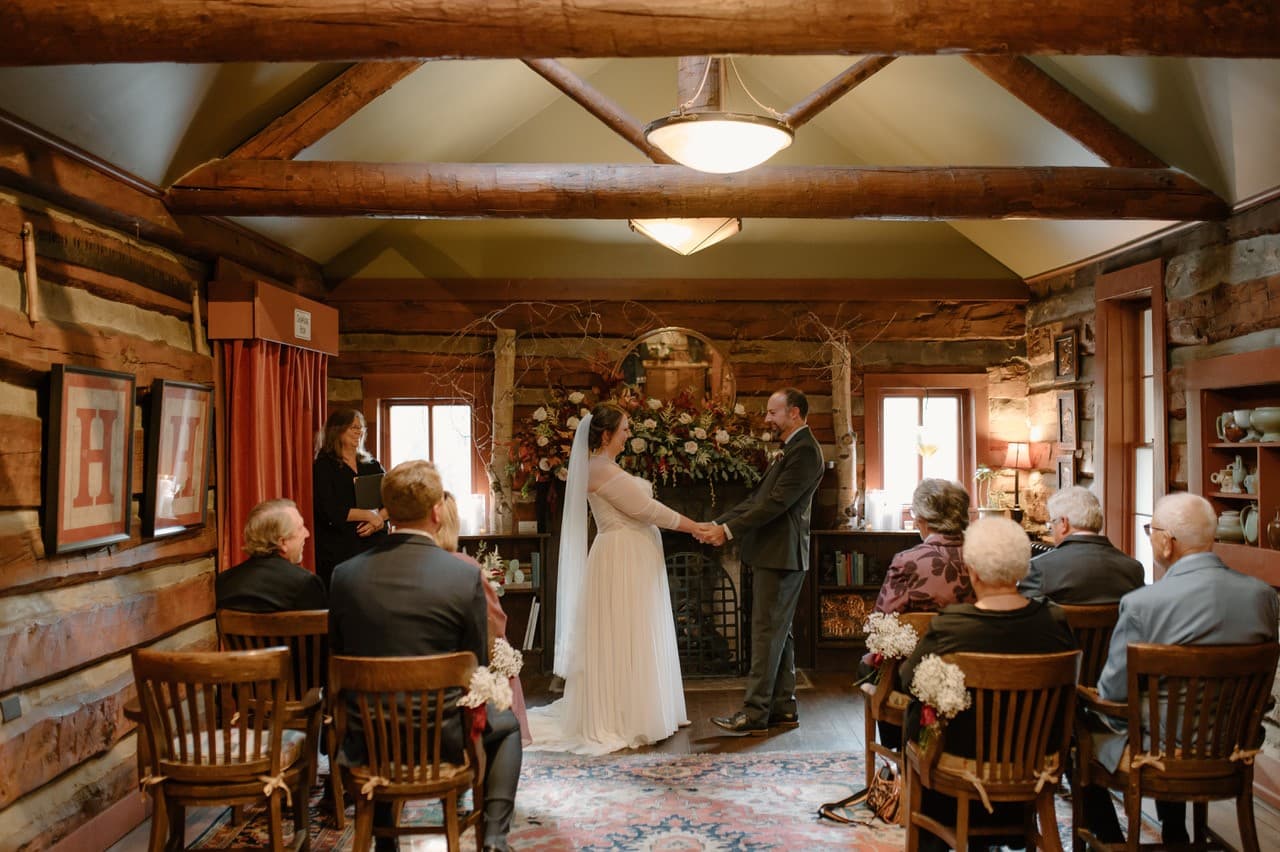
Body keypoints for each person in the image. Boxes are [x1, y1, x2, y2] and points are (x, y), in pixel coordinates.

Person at [329, 460, 521, 852]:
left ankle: (384, 839)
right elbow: (476, 665)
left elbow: (338, 659)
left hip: (370, 740)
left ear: (389, 512)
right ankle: (496, 838)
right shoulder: (461, 575)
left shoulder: (344, 576)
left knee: (379, 716)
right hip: (443, 738)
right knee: (509, 726)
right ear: (437, 512)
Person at [1081, 493, 1279, 846]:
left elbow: (1112, 695)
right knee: (1164, 715)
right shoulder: (1263, 596)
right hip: (1231, 747)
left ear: (1166, 542)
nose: (1151, 537)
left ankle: (1111, 838)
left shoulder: (1143, 603)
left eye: (1150, 530)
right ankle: (1175, 831)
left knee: (1079, 728)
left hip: (1158, 754)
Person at [527, 402, 703, 755]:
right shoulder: (598, 469)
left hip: (633, 554)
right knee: (625, 630)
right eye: (624, 430)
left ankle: (648, 707)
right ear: (606, 434)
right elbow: (646, 510)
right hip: (621, 557)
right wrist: (695, 527)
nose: (628, 435)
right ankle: (624, 716)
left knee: (637, 630)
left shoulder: (606, 466)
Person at [900, 516, 1077, 852]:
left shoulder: (952, 626)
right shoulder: (1054, 621)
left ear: (973, 572)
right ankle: (1008, 827)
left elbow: (909, 680)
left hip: (959, 763)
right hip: (1035, 760)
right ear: (1023, 568)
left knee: (917, 713)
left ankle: (934, 838)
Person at [702, 387, 825, 736]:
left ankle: (754, 714)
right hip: (775, 554)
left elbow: (775, 505)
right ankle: (784, 709)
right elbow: (758, 499)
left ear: (795, 413)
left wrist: (726, 531)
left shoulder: (804, 452)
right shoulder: (792, 450)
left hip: (782, 556)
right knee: (778, 635)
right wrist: (718, 523)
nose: (767, 418)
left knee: (765, 635)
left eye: (773, 412)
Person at [437, 491, 531, 746]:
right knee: (501, 650)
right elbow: (495, 623)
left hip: (390, 703)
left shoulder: (357, 574)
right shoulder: (466, 569)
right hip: (454, 689)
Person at [1019, 485, 1144, 603]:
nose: (1051, 531)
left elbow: (1024, 618)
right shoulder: (1133, 569)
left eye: (1052, 524)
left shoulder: (1038, 568)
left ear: (1063, 523)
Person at [874, 478, 975, 615]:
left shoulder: (906, 561)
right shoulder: (982, 557)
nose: (915, 521)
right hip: (976, 636)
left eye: (914, 514)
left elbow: (882, 621)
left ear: (922, 517)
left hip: (925, 636)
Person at [312, 409, 388, 588]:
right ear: (337, 430)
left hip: (374, 546)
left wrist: (379, 519)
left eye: (361, 428)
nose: (359, 432)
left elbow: (392, 499)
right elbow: (329, 510)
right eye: (354, 427)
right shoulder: (324, 466)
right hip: (339, 549)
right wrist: (369, 515)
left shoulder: (372, 464)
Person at [215, 498, 326, 612]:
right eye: (300, 528)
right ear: (282, 543)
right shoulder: (305, 584)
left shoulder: (224, 582)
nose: (307, 534)